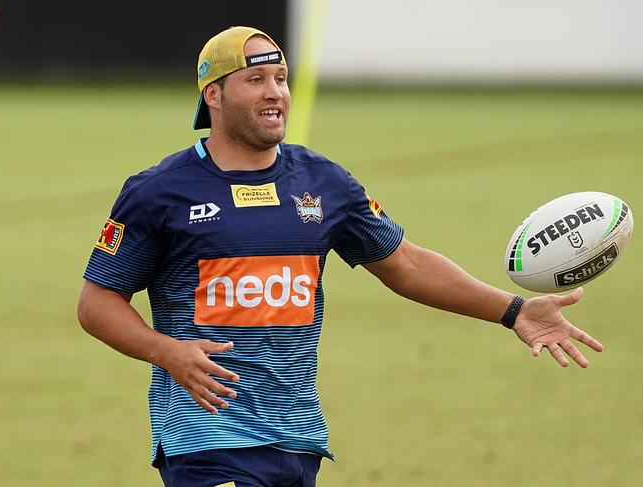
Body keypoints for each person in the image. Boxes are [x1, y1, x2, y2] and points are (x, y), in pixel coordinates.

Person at [77, 26, 603, 487]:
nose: (275, 93)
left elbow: (408, 266)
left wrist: (513, 311)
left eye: (281, 78)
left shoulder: (324, 182)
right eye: (256, 80)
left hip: (296, 434)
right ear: (213, 95)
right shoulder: (160, 191)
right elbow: (97, 302)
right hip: (204, 438)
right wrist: (166, 351)